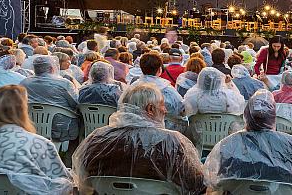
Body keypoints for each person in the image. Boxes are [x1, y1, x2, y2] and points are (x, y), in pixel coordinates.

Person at [72, 83, 206, 194]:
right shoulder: (172, 143)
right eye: (162, 105)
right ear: (150, 109)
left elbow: (82, 182)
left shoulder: (97, 139)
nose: (165, 110)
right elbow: (196, 185)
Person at [203, 89, 292, 194]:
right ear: (273, 117)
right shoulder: (291, 143)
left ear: (246, 116)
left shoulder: (228, 143)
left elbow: (217, 182)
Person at [131, 52, 186, 132]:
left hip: (136, 129)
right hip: (165, 131)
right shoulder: (167, 89)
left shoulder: (133, 87)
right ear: (160, 69)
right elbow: (181, 109)